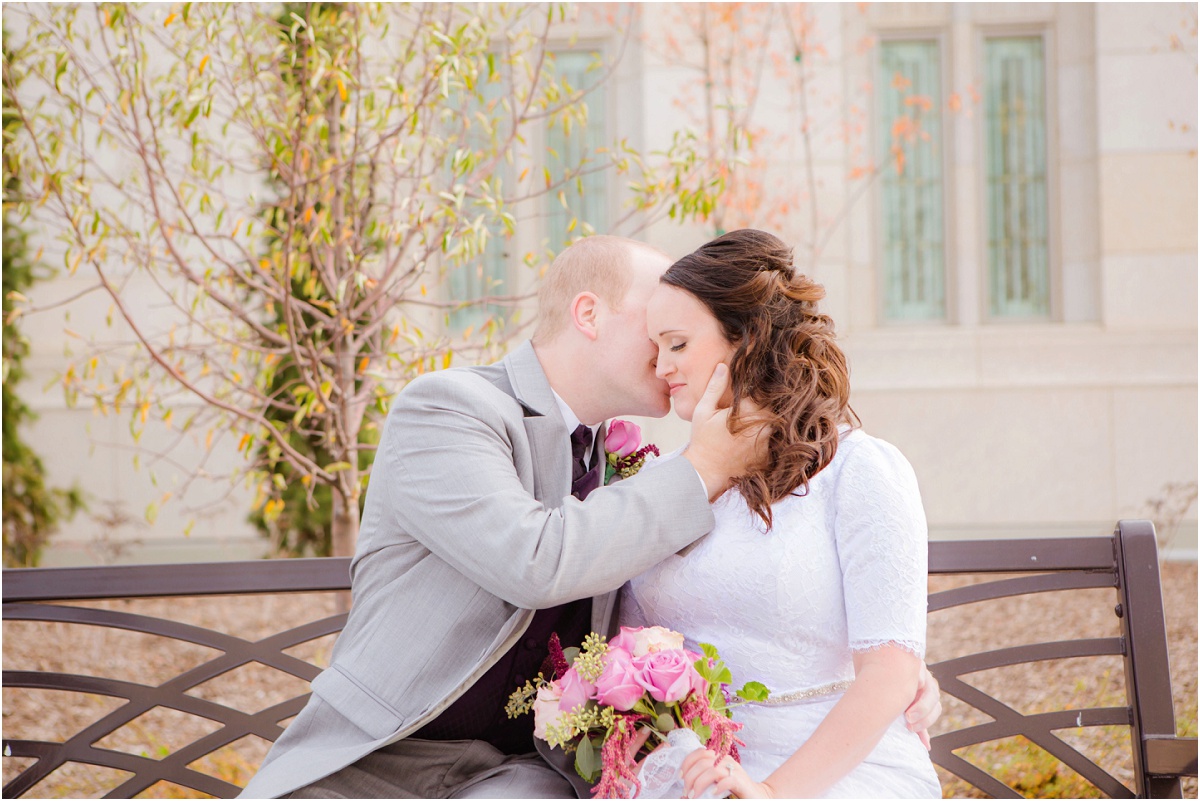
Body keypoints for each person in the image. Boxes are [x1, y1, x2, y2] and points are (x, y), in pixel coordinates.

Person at [240, 234, 940, 799]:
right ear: (589, 315)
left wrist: (877, 671)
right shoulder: (451, 409)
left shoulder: (648, 468)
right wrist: (706, 467)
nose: (664, 355)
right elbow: (539, 560)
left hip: (528, 771)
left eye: (679, 336)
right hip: (383, 759)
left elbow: (700, 624)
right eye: (654, 329)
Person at [621, 228, 942, 798]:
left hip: (838, 768)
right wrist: (690, 759)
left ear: (745, 340)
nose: (661, 367)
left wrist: (770, 792)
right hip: (696, 764)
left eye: (676, 343)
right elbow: (622, 654)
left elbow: (889, 672)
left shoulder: (859, 471)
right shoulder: (662, 484)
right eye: (655, 348)